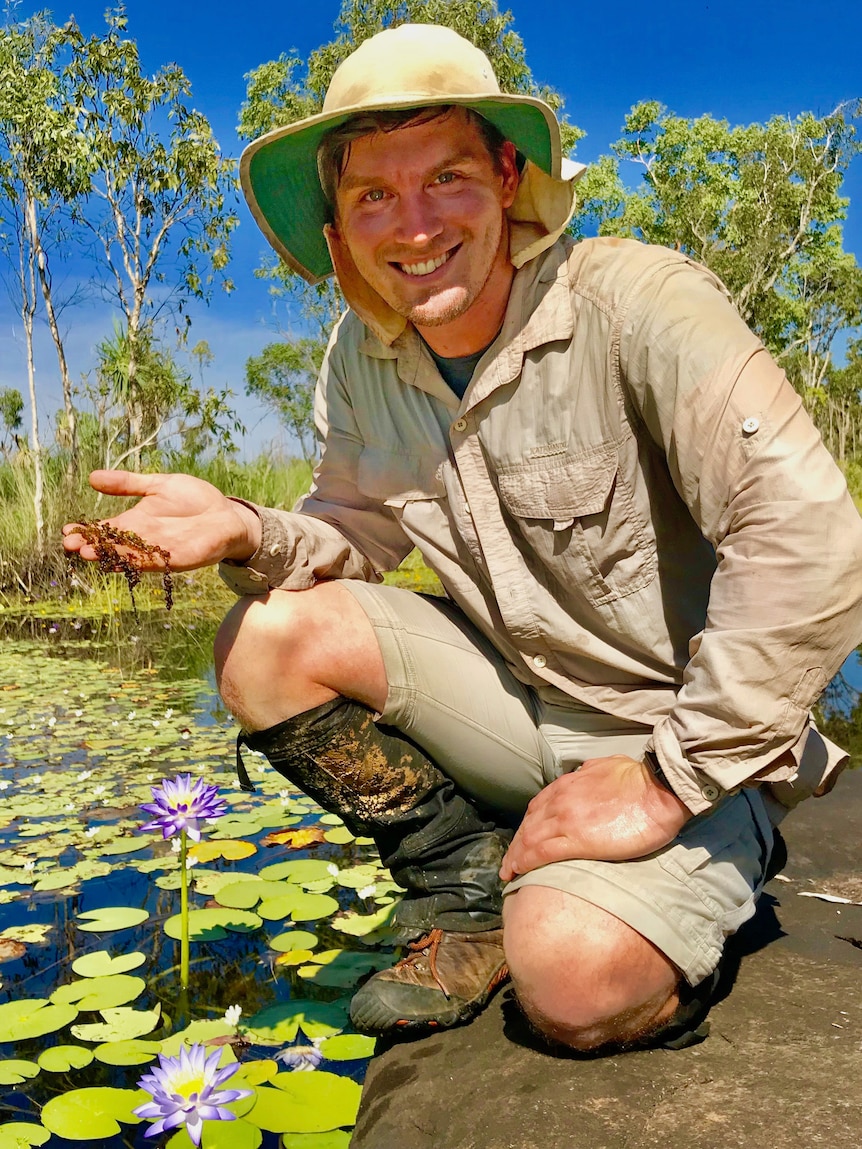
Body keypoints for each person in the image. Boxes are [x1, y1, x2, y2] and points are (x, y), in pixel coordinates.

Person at [63, 24, 862, 1052]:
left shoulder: (636, 303)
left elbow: (808, 535)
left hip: (667, 727)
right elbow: (352, 525)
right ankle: (461, 884)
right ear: (343, 227)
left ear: (507, 176)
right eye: (373, 197)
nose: (415, 223)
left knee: (573, 983)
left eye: (445, 178)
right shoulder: (361, 351)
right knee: (266, 638)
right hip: (512, 703)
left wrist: (668, 782)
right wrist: (242, 529)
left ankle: (702, 859)